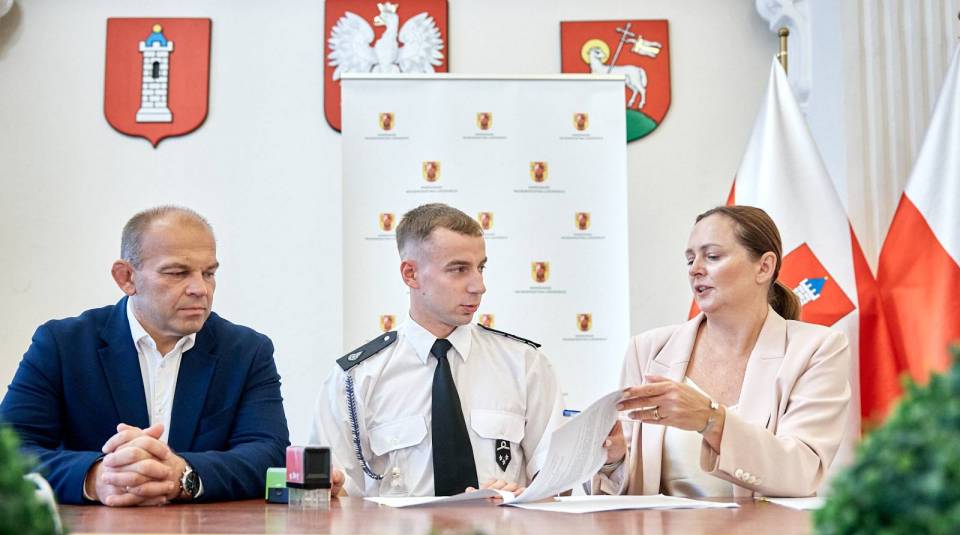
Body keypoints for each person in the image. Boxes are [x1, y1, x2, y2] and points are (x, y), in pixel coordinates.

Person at [0, 206, 289, 505]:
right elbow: (9, 452)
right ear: (126, 277)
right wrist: (97, 478)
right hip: (91, 531)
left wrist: (184, 474)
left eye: (209, 273)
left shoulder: (246, 351)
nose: (200, 289)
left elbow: (270, 452)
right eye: (177, 273)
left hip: (207, 532)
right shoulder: (62, 345)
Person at [597, 205, 851, 498]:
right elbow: (629, 492)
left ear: (764, 267)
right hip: (662, 530)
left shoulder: (817, 349)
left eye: (712, 256)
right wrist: (613, 459)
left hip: (765, 530)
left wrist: (711, 421)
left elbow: (802, 472)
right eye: (690, 259)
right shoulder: (646, 349)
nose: (695, 269)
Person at [312, 203, 563, 497]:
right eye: (458, 270)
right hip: (397, 529)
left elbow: (556, 482)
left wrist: (524, 498)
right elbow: (332, 495)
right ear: (411, 274)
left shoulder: (524, 364)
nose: (479, 286)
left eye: (481, 268)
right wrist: (331, 491)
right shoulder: (355, 378)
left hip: (502, 527)